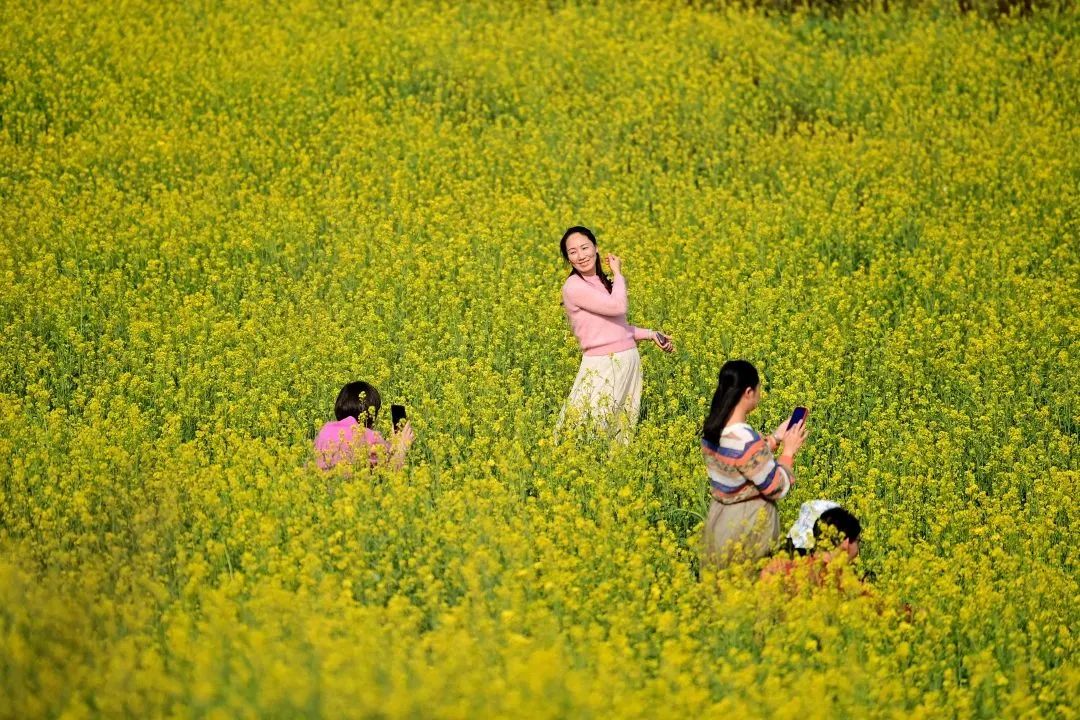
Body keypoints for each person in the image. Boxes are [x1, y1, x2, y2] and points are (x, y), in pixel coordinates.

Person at [555, 226, 673, 441]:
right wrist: (618, 273)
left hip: (627, 361)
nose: (581, 256)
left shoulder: (600, 281)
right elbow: (618, 307)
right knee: (585, 429)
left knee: (620, 433)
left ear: (596, 248)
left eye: (584, 248)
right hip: (602, 365)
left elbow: (614, 330)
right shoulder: (573, 287)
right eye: (573, 252)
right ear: (568, 259)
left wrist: (650, 334)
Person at [701, 360, 808, 567]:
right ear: (749, 392)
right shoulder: (746, 440)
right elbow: (777, 487)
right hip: (747, 524)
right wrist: (789, 451)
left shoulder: (713, 430)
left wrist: (775, 438)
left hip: (720, 519)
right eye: (759, 389)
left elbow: (742, 459)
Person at [314, 381, 414, 470]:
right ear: (372, 415)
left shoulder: (325, 430)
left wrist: (391, 446)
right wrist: (402, 446)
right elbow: (392, 472)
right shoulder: (370, 437)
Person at [761, 504, 863, 583]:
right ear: (846, 543)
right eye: (858, 541)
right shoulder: (843, 583)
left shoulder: (775, 569)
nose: (858, 550)